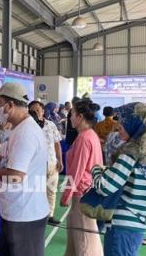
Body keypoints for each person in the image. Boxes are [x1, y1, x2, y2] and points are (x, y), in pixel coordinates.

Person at [0, 83, 49, 256]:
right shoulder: (16, 129)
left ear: (10, 105)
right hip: (13, 212)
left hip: (26, 215)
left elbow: (15, 176)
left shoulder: (25, 133)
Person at [91, 102, 146, 256]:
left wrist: (97, 169)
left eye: (123, 123)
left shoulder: (131, 153)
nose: (118, 127)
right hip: (138, 223)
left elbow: (104, 186)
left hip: (123, 226)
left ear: (134, 124)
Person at [60, 98, 104, 256]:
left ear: (80, 117)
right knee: (76, 238)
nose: (70, 117)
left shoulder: (84, 138)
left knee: (84, 241)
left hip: (82, 194)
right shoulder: (90, 135)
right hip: (87, 192)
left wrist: (66, 195)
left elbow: (77, 171)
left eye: (72, 114)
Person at [28, 100, 63, 226]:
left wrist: (60, 160)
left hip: (52, 162)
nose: (37, 112)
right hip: (36, 166)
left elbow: (57, 143)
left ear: (43, 110)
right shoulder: (28, 127)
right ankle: (38, 215)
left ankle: (50, 215)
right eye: (33, 110)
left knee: (52, 190)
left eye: (38, 109)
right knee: (38, 191)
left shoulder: (51, 125)